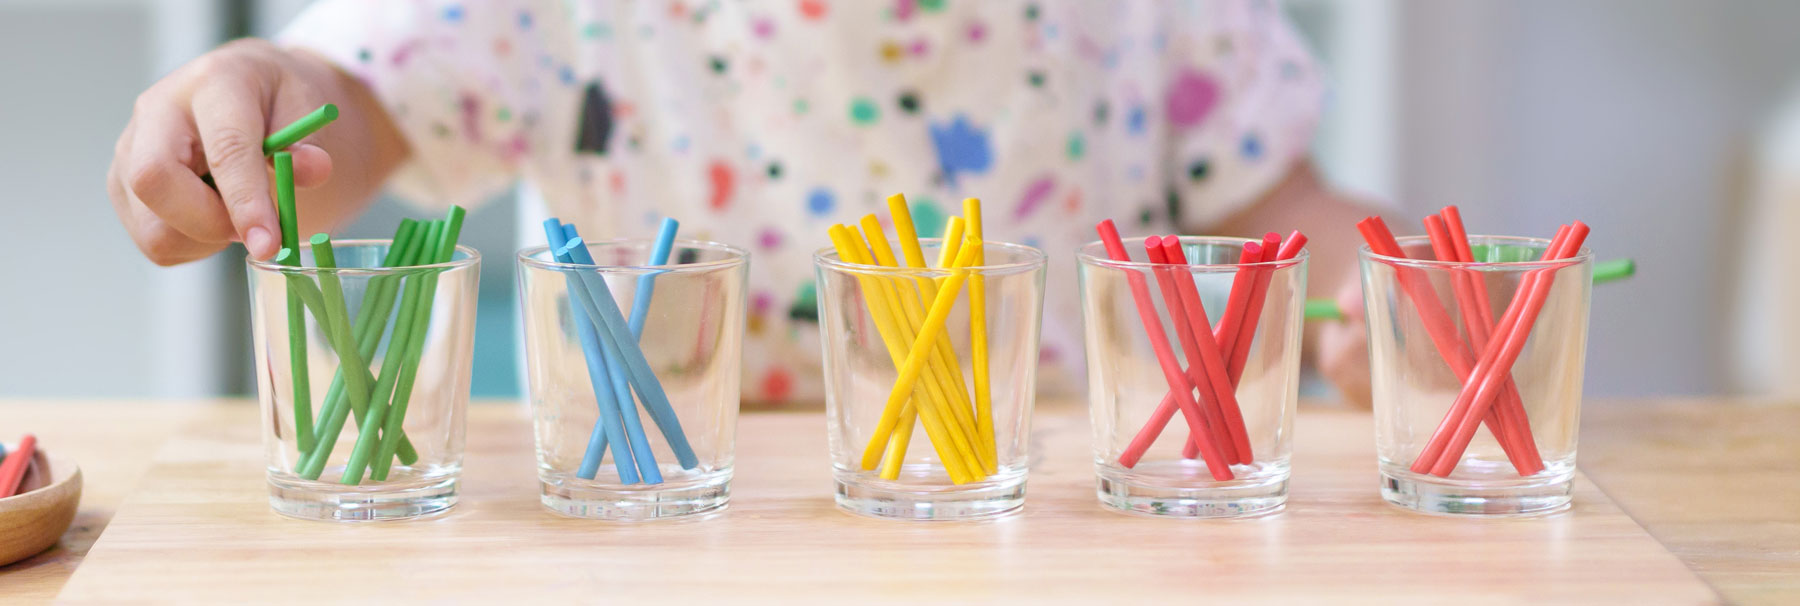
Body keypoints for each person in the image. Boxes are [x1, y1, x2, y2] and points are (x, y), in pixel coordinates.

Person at [106, 0, 1377, 406]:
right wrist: (256, 103)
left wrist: (1351, 306)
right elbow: (362, 100)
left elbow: (1286, 203)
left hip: (1045, 541)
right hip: (655, 544)